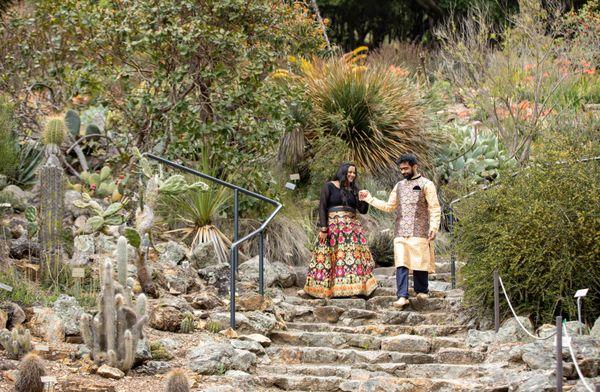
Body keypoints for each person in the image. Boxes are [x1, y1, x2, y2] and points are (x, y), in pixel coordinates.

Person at [359, 153, 441, 309]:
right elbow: (389, 207)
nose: (403, 171)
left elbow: (434, 208)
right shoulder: (399, 186)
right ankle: (402, 296)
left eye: (406, 168)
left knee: (419, 261)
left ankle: (422, 290)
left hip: (420, 229)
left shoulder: (427, 184)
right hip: (400, 230)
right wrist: (369, 198)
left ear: (415, 166)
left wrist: (434, 227)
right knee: (401, 263)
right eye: (401, 169)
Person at [302, 163, 378, 299]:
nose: (352, 175)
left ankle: (354, 288)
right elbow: (322, 207)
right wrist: (323, 228)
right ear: (343, 172)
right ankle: (321, 288)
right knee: (327, 257)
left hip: (352, 230)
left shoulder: (355, 190)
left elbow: (363, 210)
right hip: (333, 228)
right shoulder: (329, 186)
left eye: (354, 173)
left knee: (352, 259)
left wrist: (364, 199)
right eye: (350, 172)